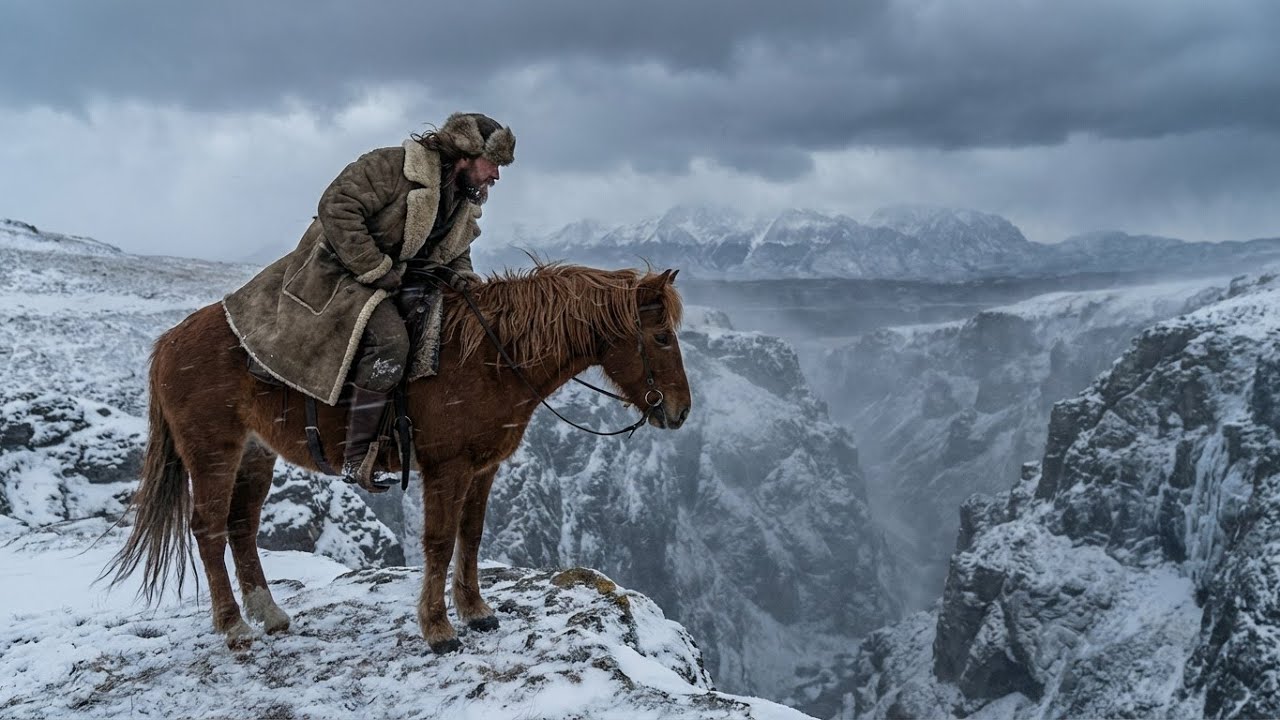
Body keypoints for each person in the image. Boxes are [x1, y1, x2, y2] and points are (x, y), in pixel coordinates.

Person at [222, 112, 515, 490]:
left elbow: (455, 250)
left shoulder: (464, 196)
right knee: (391, 344)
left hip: (399, 280)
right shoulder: (391, 167)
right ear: (465, 153)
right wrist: (374, 266)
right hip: (341, 272)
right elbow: (337, 206)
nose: (496, 175)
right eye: (492, 164)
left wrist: (464, 282)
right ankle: (357, 455)